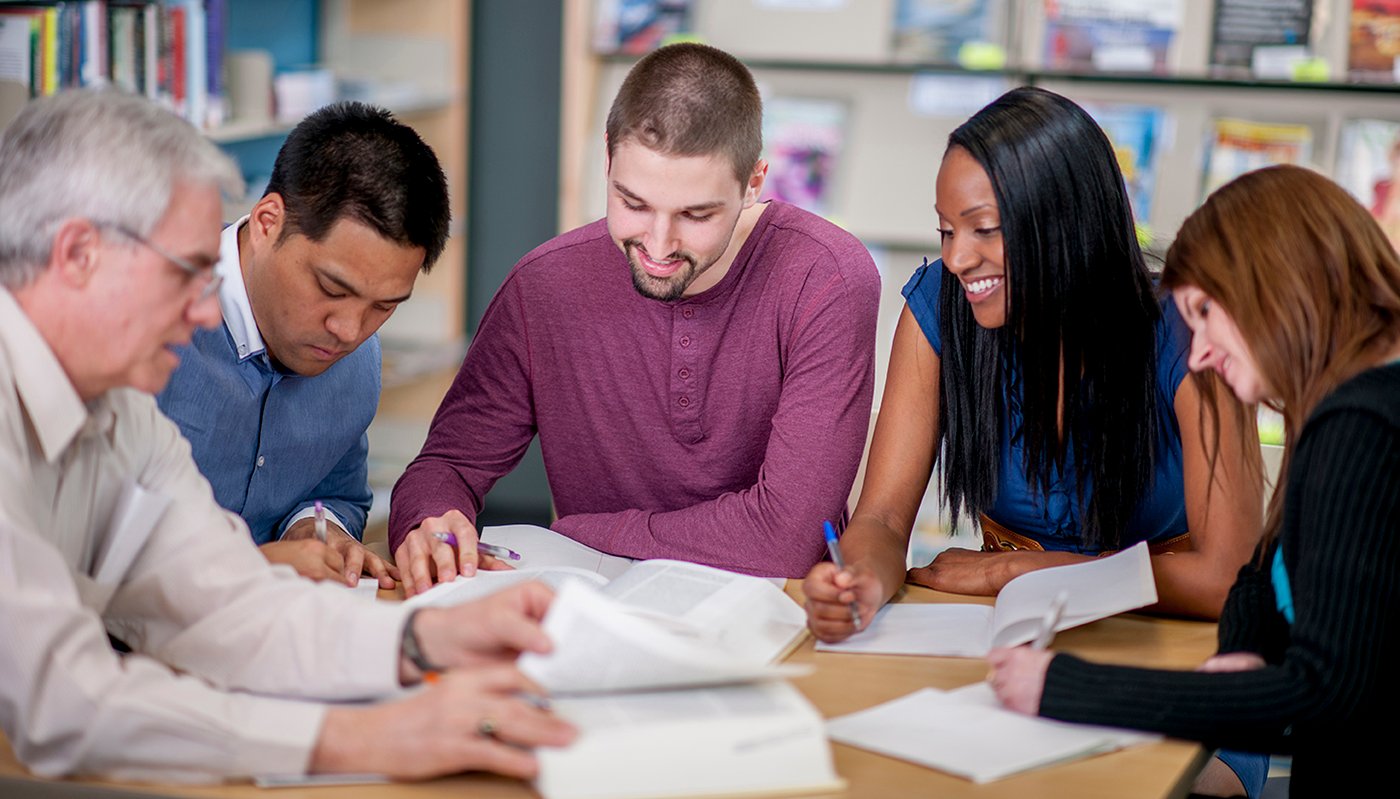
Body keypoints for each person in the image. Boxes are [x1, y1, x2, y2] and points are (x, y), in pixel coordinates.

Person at [0, 90, 573, 782]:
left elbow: (226, 600)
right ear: (79, 253)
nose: (208, 308)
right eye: (187, 272)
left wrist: (423, 638)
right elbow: (64, 703)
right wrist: (360, 738)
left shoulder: (120, 411)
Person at [801, 87, 1265, 796]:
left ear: (1062, 221)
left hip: (1184, 668)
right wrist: (859, 578)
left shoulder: (1190, 333)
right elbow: (885, 518)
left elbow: (1227, 579)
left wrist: (1013, 572)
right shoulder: (937, 311)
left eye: (983, 228)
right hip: (1014, 660)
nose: (958, 257)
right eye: (945, 231)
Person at [389, 43, 881, 593]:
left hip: (772, 614)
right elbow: (445, 466)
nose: (659, 244)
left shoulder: (826, 277)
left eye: (696, 214)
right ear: (607, 157)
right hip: (596, 613)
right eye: (634, 203)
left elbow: (788, 538)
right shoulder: (545, 285)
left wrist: (589, 533)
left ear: (754, 183)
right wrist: (429, 520)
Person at [988, 164, 1400, 796]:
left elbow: (1327, 691)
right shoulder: (1335, 402)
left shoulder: (1361, 424)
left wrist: (1067, 687)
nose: (1200, 351)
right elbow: (1261, 585)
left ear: (1281, 282)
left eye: (1207, 312)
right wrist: (1245, 657)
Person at [156, 101, 448, 589]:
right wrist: (253, 568)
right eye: (333, 289)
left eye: (385, 305)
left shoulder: (355, 363)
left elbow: (334, 493)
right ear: (269, 220)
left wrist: (317, 529)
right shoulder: (145, 327)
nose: (350, 331)